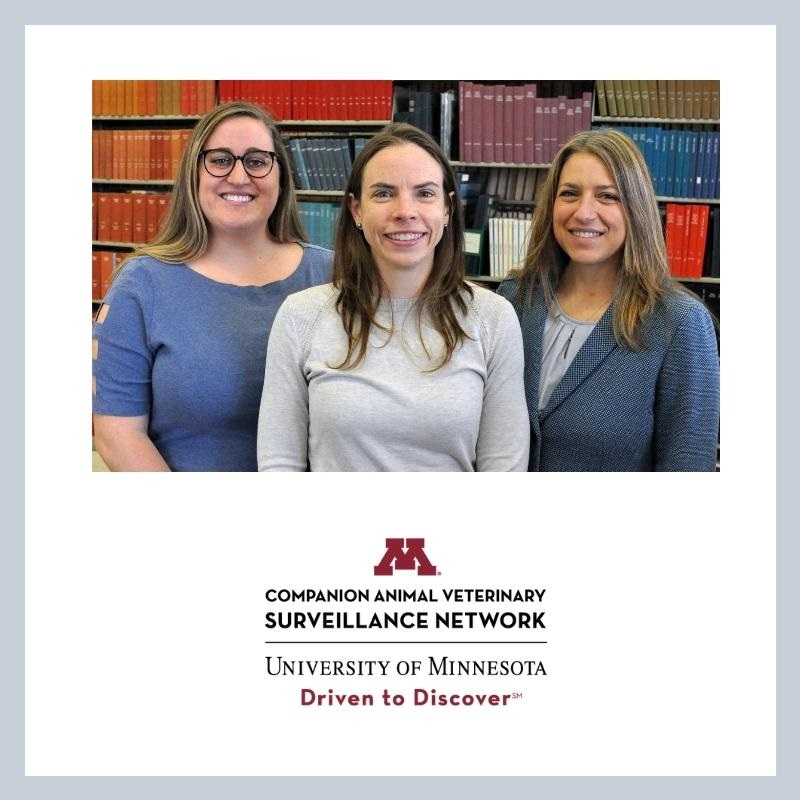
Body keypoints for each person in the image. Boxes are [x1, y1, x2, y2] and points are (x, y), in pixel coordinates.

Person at [257, 122, 528, 472]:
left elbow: (503, 471)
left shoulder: (493, 318)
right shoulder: (300, 316)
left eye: (424, 193)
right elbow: (280, 465)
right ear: (356, 210)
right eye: (384, 193)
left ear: (447, 210)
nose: (405, 211)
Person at [92, 102, 332, 471]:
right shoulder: (142, 284)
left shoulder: (333, 274)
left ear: (281, 176)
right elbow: (116, 433)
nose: (239, 177)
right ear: (194, 173)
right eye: (220, 160)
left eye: (257, 161)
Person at [497, 128, 719, 471]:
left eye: (607, 196)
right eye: (570, 193)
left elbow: (687, 470)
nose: (584, 213)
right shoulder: (513, 299)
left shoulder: (679, 323)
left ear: (635, 208)